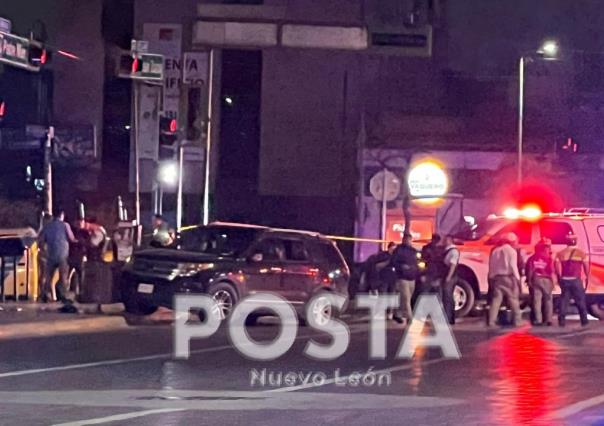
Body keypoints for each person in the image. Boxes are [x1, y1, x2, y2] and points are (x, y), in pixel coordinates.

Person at [38, 210, 78, 304]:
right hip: (63, 255)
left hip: (50, 255)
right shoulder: (65, 225)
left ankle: (47, 296)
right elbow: (71, 238)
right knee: (63, 277)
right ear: (62, 215)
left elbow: (41, 240)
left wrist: (44, 250)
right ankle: (63, 296)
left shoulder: (47, 227)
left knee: (49, 277)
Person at [487, 232, 522, 327]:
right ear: (512, 242)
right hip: (509, 278)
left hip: (497, 278)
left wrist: (491, 278)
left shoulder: (495, 251)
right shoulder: (512, 251)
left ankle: (491, 321)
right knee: (513, 300)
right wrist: (518, 279)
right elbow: (513, 266)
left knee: (496, 301)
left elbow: (491, 266)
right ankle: (517, 321)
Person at [555, 233, 589, 327]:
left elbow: (557, 267)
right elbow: (586, 266)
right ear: (576, 241)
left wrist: (559, 277)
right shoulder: (581, 253)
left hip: (565, 280)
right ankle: (584, 321)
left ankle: (561, 322)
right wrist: (587, 276)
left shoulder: (560, 253)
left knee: (564, 300)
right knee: (580, 300)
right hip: (576, 280)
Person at [390, 234, 420, 325]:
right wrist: (401, 267)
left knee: (406, 298)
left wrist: (416, 271)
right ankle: (409, 317)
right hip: (402, 277)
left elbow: (417, 262)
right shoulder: (398, 250)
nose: (408, 241)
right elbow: (393, 262)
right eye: (406, 239)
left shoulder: (414, 251)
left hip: (412, 277)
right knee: (406, 298)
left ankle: (397, 314)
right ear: (403, 240)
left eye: (409, 240)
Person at [526, 238, 555, 326]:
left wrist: (529, 280)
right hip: (546, 280)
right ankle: (548, 320)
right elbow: (552, 270)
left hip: (536, 279)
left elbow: (530, 270)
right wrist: (553, 282)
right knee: (548, 300)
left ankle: (538, 320)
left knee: (536, 301)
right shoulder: (549, 258)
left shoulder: (532, 258)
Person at [440, 235, 460, 325]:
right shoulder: (446, 250)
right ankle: (449, 317)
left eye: (446, 239)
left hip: (450, 276)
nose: (444, 241)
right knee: (446, 297)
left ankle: (448, 318)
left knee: (448, 297)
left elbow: (453, 265)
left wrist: (448, 276)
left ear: (450, 240)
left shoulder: (453, 251)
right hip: (446, 275)